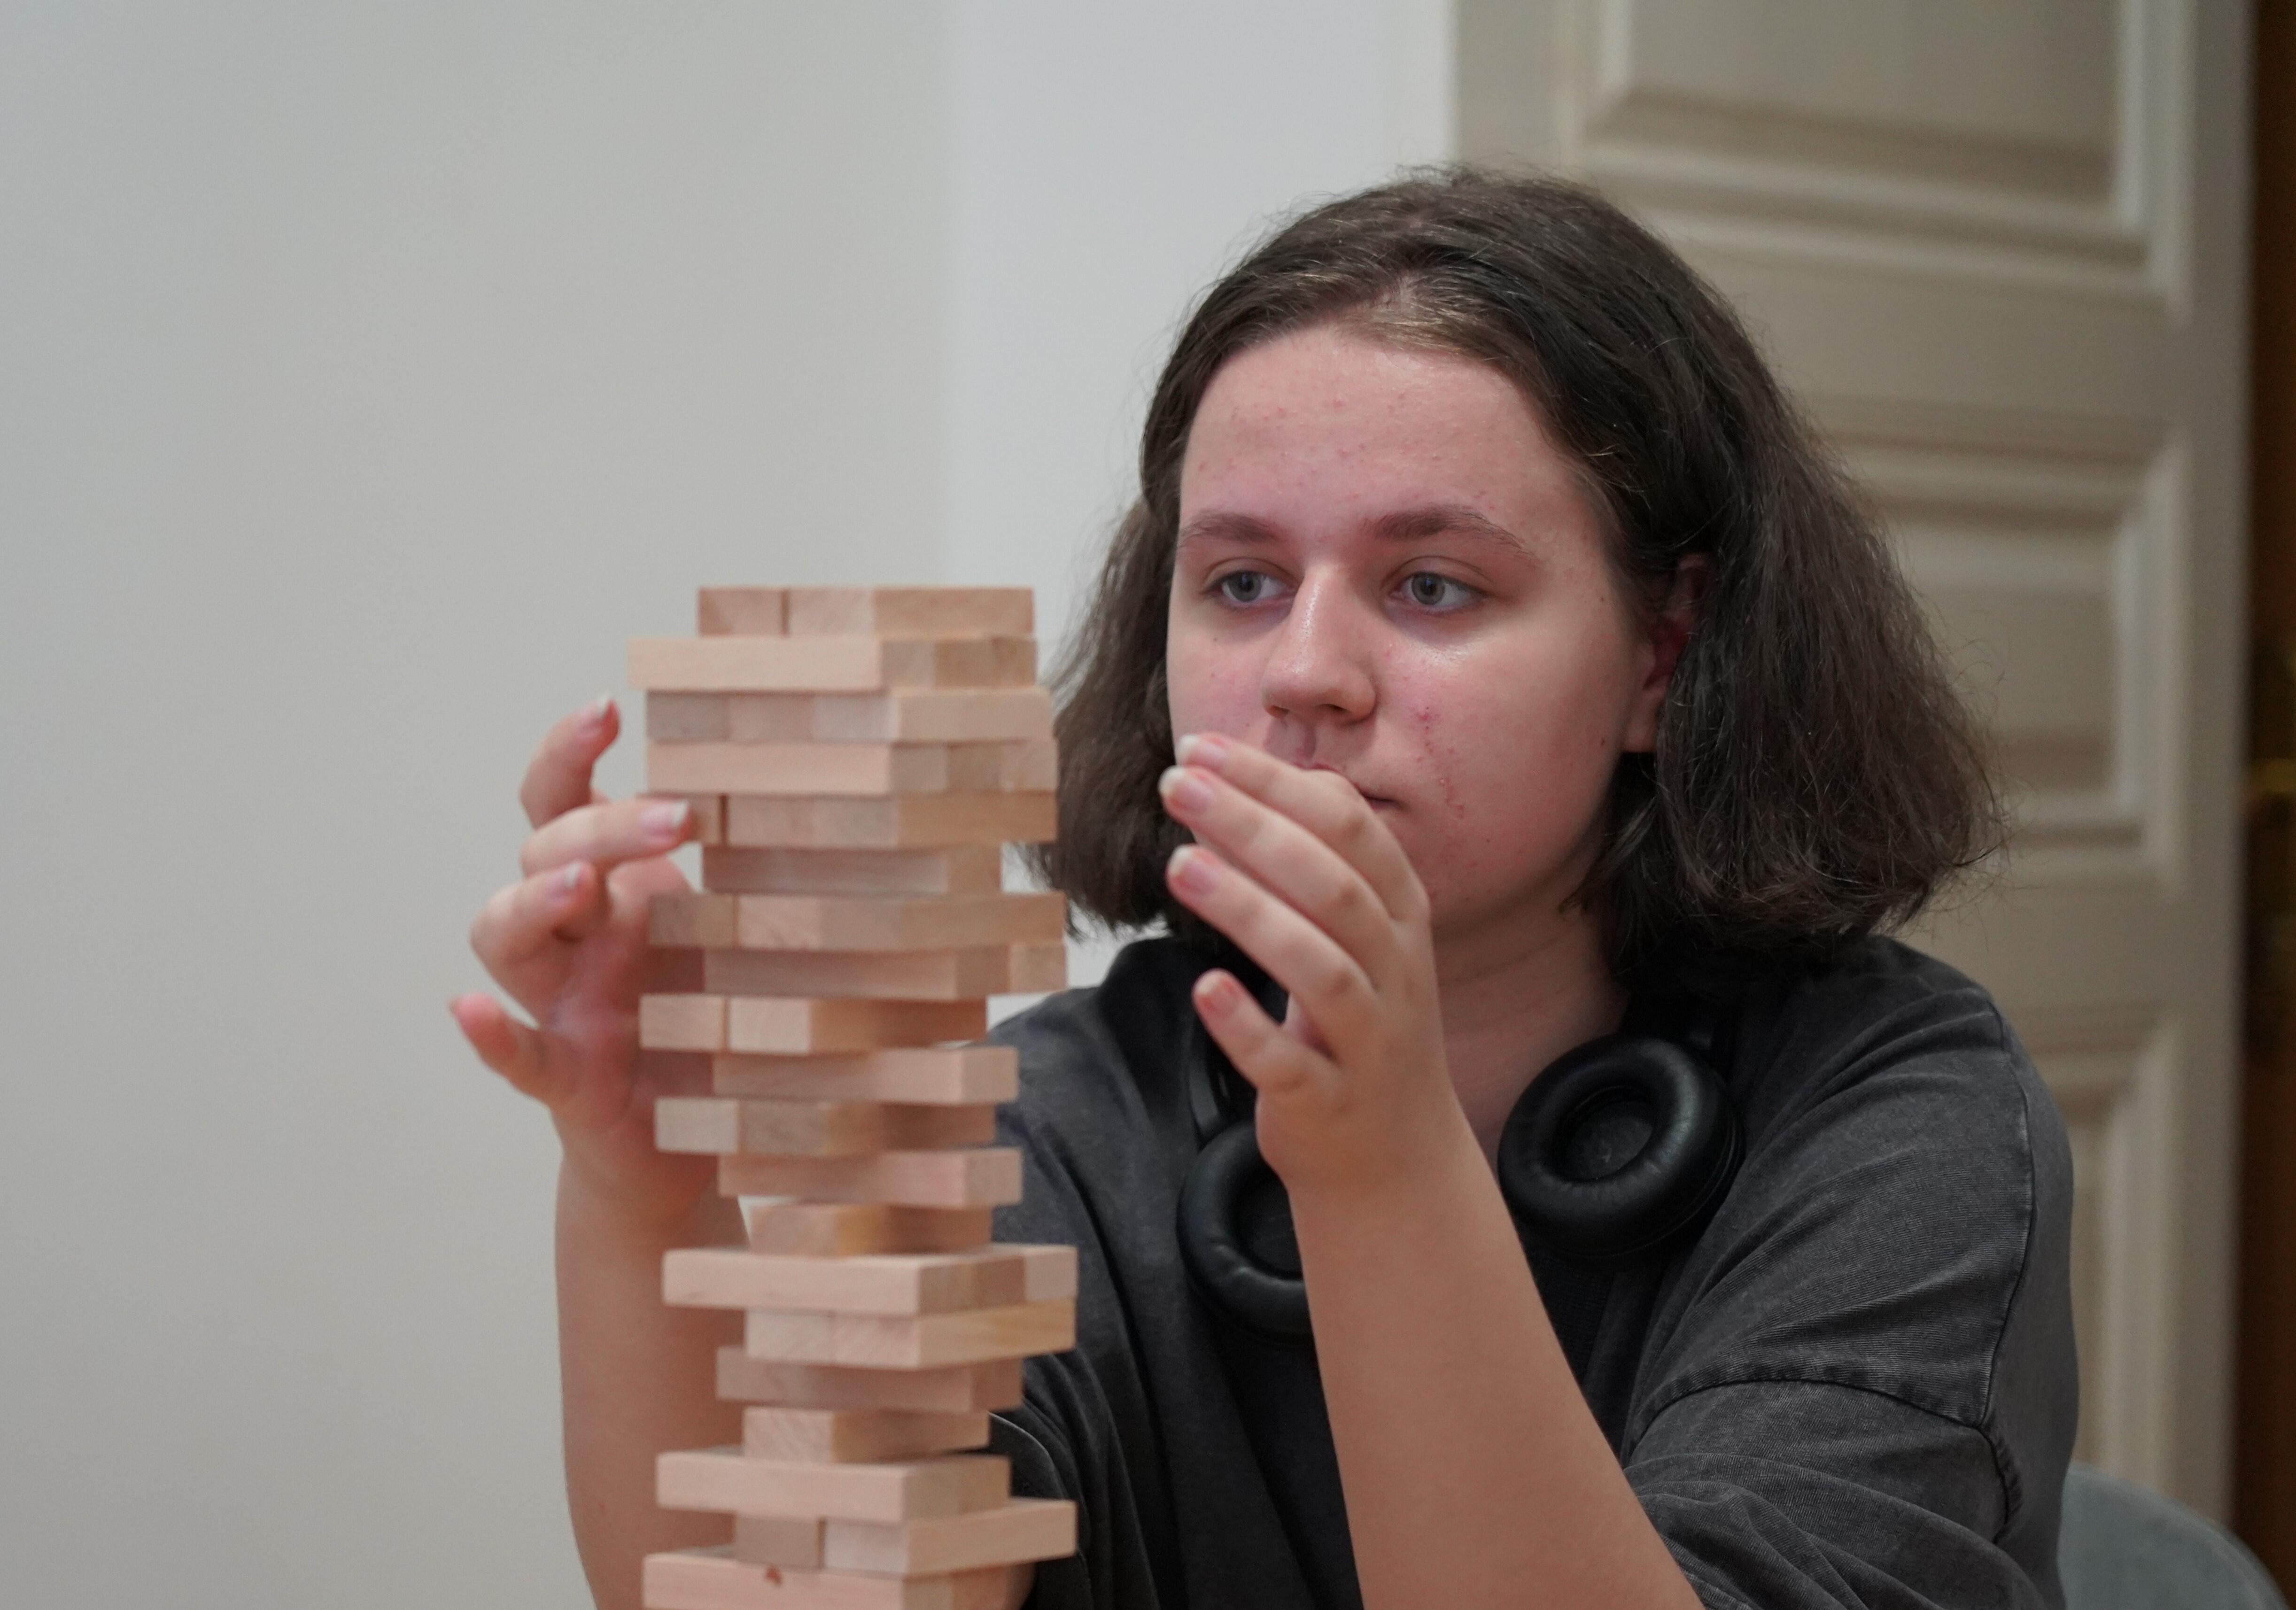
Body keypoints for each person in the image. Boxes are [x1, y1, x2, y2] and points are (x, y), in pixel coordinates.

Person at [456, 169, 2076, 1610]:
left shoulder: (1903, 1116)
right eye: (1240, 581)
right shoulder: (1062, 1112)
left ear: (1663, 652)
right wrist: (645, 1181)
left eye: (1432, 585)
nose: (1305, 674)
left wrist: (1375, 1164)